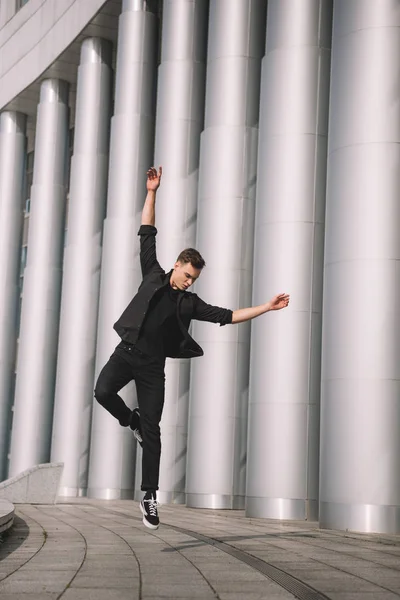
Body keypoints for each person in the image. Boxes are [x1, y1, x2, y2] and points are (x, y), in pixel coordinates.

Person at [94, 166, 290, 530]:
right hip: (126, 352)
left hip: (153, 368)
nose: (188, 282)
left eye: (193, 279)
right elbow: (147, 232)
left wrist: (265, 307)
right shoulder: (153, 273)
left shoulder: (191, 303)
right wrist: (152, 191)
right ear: (177, 265)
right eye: (187, 275)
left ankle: (150, 497)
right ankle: (129, 419)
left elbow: (228, 315)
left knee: (153, 432)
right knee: (102, 391)